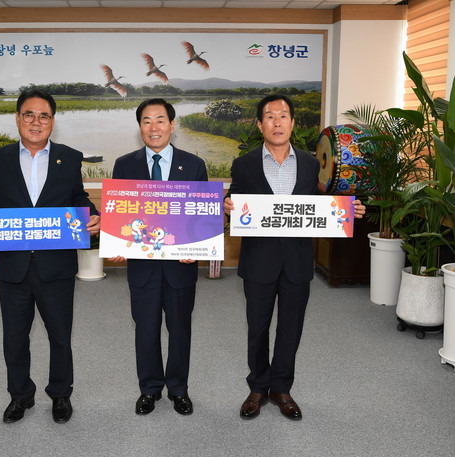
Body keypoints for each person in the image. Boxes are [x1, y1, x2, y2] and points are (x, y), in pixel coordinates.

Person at [0, 89, 100, 425]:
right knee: (14, 338)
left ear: (52, 122)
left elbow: (78, 197)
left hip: (55, 264)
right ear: (17, 118)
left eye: (44, 116)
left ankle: (60, 394)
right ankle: (20, 395)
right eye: (29, 114)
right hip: (13, 264)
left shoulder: (69, 157)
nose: (36, 122)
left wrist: (92, 214)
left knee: (60, 336)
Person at [224, 94, 365, 421]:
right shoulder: (244, 164)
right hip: (258, 261)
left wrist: (348, 210)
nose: (277, 122)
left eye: (283, 116)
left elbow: (319, 206)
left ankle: (281, 389)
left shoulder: (311, 164)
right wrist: (227, 205)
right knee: (257, 328)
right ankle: (258, 387)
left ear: (292, 123)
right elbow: (235, 199)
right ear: (260, 124)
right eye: (270, 117)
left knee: (291, 328)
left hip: (298, 261)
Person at [109, 98, 208, 416]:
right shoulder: (125, 165)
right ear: (140, 127)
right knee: (146, 329)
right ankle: (149, 389)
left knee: (180, 330)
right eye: (147, 121)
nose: (154, 127)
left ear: (172, 125)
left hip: (181, 267)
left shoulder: (193, 165)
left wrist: (196, 246)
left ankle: (179, 389)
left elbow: (201, 216)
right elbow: (120, 213)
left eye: (160, 120)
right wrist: (117, 243)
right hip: (143, 267)